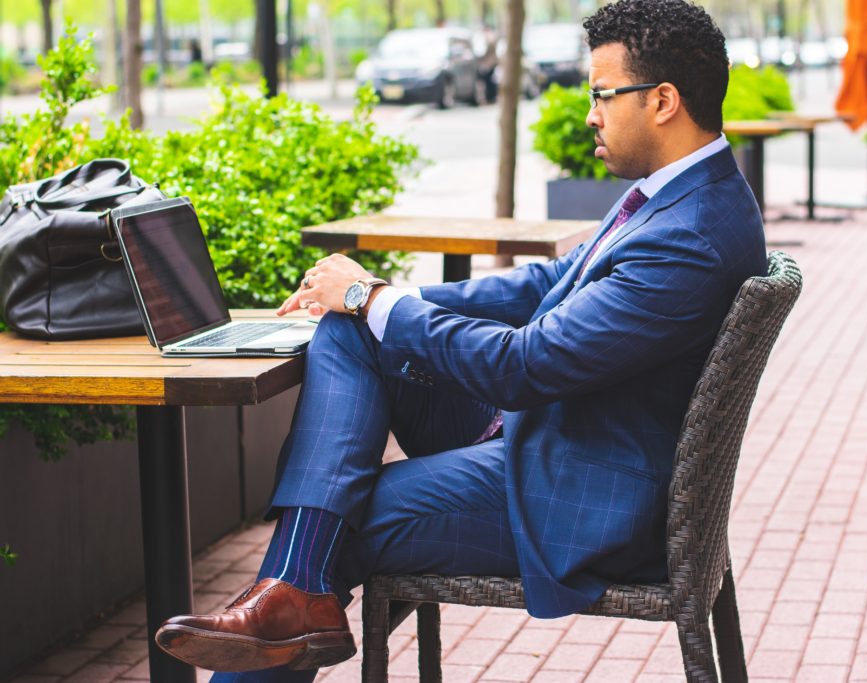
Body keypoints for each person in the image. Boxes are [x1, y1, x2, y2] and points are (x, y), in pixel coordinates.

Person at [155, 0, 766, 678]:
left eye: (601, 93)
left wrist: (371, 296)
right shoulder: (686, 195)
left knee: (340, 519)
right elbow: (545, 285)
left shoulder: (689, 237)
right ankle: (293, 592)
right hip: (557, 437)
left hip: (579, 496)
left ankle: (294, 591)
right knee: (351, 331)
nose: (591, 112)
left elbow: (527, 366)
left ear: (662, 101)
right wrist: (385, 298)